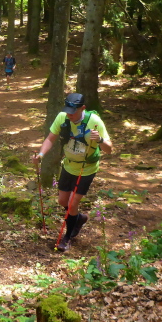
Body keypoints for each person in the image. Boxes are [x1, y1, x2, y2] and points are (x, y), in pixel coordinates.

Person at [32, 93, 113, 251]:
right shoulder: (62, 118)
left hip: (86, 169)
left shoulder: (95, 122)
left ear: (83, 108)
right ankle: (79, 218)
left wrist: (100, 140)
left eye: (73, 112)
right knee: (62, 201)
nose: (69, 115)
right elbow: (50, 138)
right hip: (68, 165)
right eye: (68, 111)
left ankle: (67, 237)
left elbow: (109, 149)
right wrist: (40, 155)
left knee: (71, 204)